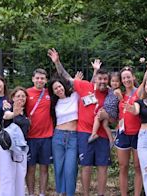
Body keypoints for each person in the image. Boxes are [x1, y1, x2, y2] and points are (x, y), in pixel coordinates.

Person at [48, 48, 110, 196]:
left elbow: (115, 111)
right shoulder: (79, 89)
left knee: (81, 168)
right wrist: (57, 62)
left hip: (88, 135)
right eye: (98, 78)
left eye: (104, 79)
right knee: (73, 167)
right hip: (74, 134)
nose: (101, 81)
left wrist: (96, 71)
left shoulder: (108, 93)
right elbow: (65, 76)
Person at [114, 37, 147, 196]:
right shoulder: (118, 94)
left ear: (133, 77)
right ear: (121, 80)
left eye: (128, 77)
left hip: (138, 134)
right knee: (123, 166)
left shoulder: (138, 92)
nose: (126, 79)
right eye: (123, 78)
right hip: (123, 134)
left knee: (138, 167)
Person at [48, 78, 79, 196]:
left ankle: (70, 193)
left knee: (70, 169)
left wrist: (95, 71)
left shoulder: (75, 97)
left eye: (59, 86)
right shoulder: (54, 103)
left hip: (73, 136)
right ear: (53, 91)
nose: (58, 89)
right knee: (59, 167)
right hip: (58, 136)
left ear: (63, 86)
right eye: (55, 88)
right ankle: (61, 192)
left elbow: (87, 88)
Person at [25, 68, 53, 196]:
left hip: (46, 137)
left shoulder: (50, 94)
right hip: (30, 137)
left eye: (42, 78)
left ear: (46, 80)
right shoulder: (26, 93)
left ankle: (42, 193)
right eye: (37, 78)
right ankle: (31, 193)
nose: (40, 80)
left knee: (44, 168)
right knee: (30, 168)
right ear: (33, 79)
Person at [0, 86, 31, 196]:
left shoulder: (26, 112)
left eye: (23, 96)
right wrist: (14, 114)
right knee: (7, 177)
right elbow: (6, 116)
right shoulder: (8, 107)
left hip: (21, 149)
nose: (21, 98)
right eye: (18, 96)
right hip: (7, 148)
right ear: (12, 97)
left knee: (20, 177)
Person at [88, 69, 122, 146]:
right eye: (113, 81)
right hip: (108, 109)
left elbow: (121, 100)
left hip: (110, 110)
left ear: (120, 83)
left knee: (97, 117)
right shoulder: (110, 89)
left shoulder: (117, 90)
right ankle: (111, 140)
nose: (114, 83)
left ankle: (94, 133)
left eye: (117, 81)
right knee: (105, 125)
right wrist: (95, 70)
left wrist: (119, 96)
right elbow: (95, 83)